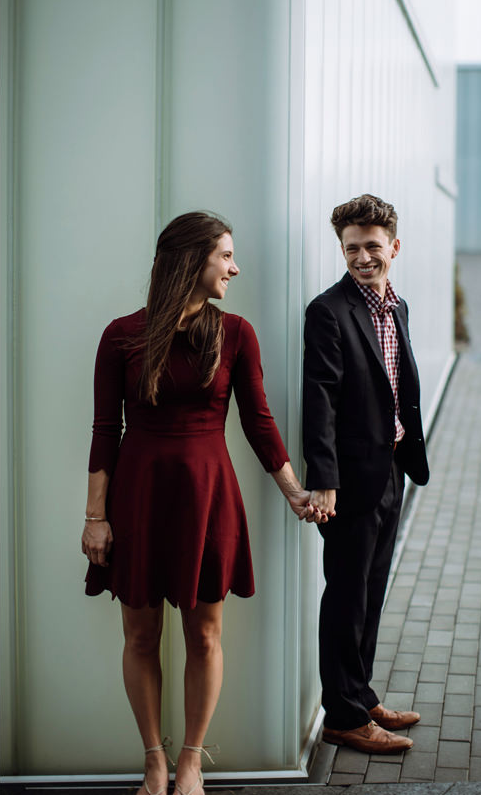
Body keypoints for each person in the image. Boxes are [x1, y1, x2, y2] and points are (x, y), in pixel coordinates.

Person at [82, 211, 319, 795]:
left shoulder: (236, 333)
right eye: (226, 256)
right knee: (139, 635)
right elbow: (102, 429)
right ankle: (153, 761)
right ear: (193, 260)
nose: (235, 268)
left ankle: (190, 760)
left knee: (205, 635)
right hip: (137, 497)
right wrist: (95, 516)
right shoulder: (121, 335)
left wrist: (295, 494)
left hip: (209, 498)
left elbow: (259, 422)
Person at [302, 195, 431, 755]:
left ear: (394, 248)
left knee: (372, 592)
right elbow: (320, 399)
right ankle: (345, 717)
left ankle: (361, 695)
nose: (361, 258)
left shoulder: (395, 308)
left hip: (391, 471)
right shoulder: (328, 311)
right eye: (351, 248)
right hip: (351, 481)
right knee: (347, 597)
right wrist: (323, 478)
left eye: (372, 247)